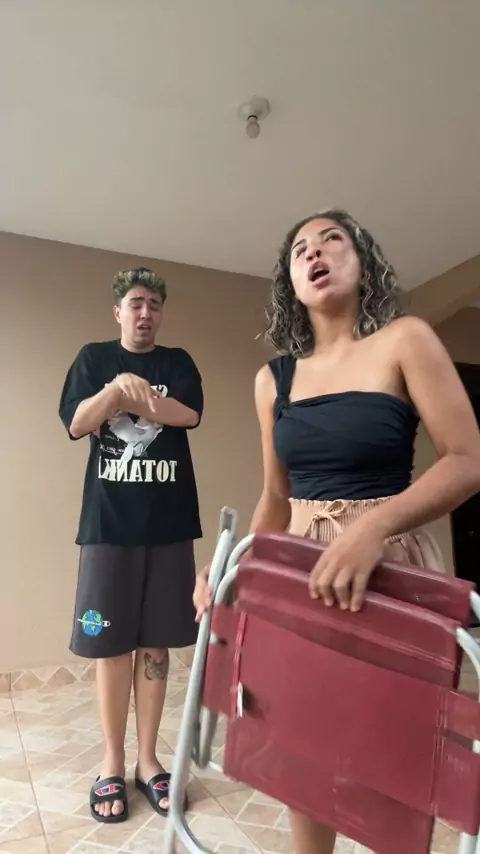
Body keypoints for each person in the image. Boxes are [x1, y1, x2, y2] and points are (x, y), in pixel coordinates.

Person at [194, 209, 480, 854]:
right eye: (300, 250)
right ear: (291, 284)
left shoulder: (406, 339)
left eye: (332, 240)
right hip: (300, 575)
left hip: (389, 568)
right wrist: (231, 569)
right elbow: (276, 497)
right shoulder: (272, 380)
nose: (315, 253)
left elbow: (468, 460)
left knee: (395, 759)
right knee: (305, 757)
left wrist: (374, 527)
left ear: (363, 263)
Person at [59, 267, 203, 824]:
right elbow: (78, 422)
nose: (146, 312)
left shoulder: (178, 363)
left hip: (168, 526)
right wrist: (117, 389)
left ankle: (148, 761)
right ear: (118, 310)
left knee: (157, 648)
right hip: (108, 527)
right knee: (112, 648)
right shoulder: (93, 359)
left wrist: (134, 402)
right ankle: (112, 763)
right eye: (137, 303)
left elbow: (187, 414)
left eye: (155, 304)